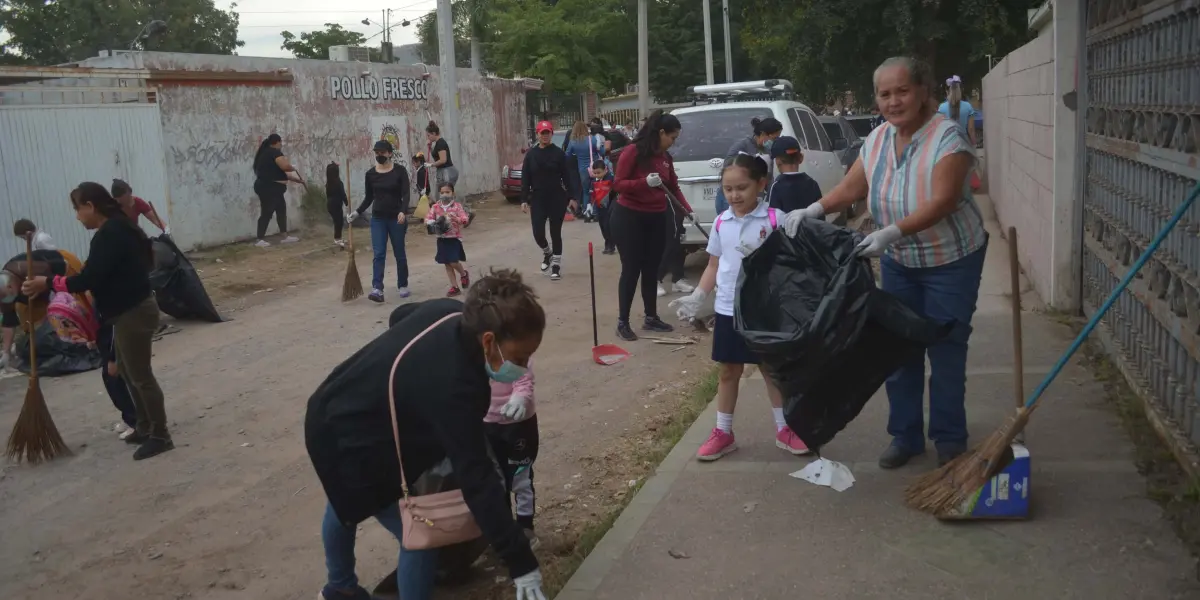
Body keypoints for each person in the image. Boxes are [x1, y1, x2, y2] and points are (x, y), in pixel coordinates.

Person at [784, 56, 988, 469]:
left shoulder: (948, 138)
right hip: (899, 261)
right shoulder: (876, 140)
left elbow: (944, 200)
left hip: (951, 260)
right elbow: (850, 187)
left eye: (902, 91)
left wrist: (892, 231)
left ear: (923, 92)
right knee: (897, 349)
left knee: (946, 347)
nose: (893, 101)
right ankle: (905, 436)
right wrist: (814, 210)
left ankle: (950, 438)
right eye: (884, 94)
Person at [305, 270, 549, 600]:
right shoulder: (456, 389)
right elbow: (477, 479)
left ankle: (339, 587)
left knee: (344, 499)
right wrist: (521, 562)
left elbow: (400, 315)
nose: (523, 365)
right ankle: (341, 588)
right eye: (520, 357)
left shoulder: (449, 313)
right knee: (422, 533)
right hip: (350, 434)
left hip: (333, 403)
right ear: (489, 341)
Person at [669, 154, 810, 460]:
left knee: (771, 370)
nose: (734, 195)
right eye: (727, 189)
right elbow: (714, 265)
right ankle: (723, 431)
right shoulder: (722, 221)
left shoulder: (776, 220)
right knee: (728, 371)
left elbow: (795, 266)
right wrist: (698, 296)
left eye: (741, 188)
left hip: (765, 310)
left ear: (761, 184)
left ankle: (785, 428)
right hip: (728, 309)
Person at [21, 182, 174, 460]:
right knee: (128, 373)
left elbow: (89, 278)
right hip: (129, 309)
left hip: (133, 312)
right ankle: (144, 426)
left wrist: (50, 283)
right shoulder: (118, 227)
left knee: (140, 376)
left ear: (90, 206)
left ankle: (161, 435)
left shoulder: (110, 233)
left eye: (77, 209)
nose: (77, 216)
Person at [611, 110, 691, 341]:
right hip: (629, 217)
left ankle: (651, 317)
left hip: (656, 217)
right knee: (631, 268)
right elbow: (618, 184)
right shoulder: (633, 152)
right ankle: (623, 322)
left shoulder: (665, 159)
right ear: (661, 132)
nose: (672, 143)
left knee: (651, 269)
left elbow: (674, 187)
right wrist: (642, 182)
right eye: (672, 138)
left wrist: (686, 209)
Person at [0, 246, 86, 372]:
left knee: (70, 311)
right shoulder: (4, 293)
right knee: (30, 322)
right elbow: (9, 321)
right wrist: (6, 352)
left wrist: (43, 289)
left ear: (11, 286)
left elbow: (58, 278)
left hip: (63, 268)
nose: (11, 301)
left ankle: (81, 342)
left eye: (13, 295)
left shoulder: (27, 267)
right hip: (36, 292)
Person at [350, 139, 412, 303]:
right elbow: (369, 197)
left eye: (382, 153)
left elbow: (406, 194)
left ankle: (403, 284)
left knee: (399, 253)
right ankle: (377, 288)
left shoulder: (399, 171)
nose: (379, 155)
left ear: (390, 153)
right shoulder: (370, 174)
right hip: (378, 218)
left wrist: (403, 211)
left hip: (396, 218)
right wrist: (357, 212)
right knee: (379, 254)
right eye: (377, 153)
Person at [485, 357, 539, 543]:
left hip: (519, 422)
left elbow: (524, 379)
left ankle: (525, 525)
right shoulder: (474, 347)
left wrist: (519, 398)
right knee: (496, 479)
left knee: (520, 477)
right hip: (487, 422)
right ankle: (505, 529)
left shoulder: (515, 344)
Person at [520, 120, 578, 282]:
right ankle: (547, 253)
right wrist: (523, 199)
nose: (545, 135)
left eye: (548, 133)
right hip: (538, 198)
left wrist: (572, 197)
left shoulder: (559, 154)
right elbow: (526, 178)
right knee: (538, 232)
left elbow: (567, 176)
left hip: (556, 197)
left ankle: (556, 266)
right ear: (537, 134)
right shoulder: (531, 155)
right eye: (542, 133)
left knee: (555, 232)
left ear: (551, 134)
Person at [714, 117, 783, 214]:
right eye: (774, 138)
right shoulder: (742, 145)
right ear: (763, 134)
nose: (775, 141)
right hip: (732, 200)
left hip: (753, 199)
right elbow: (728, 166)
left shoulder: (768, 150)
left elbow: (768, 178)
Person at [251, 133, 304, 247]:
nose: (281, 145)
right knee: (267, 212)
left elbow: (280, 174)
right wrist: (292, 167)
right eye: (280, 142)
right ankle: (259, 239)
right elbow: (285, 167)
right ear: (277, 142)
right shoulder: (274, 153)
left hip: (272, 188)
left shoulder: (265, 154)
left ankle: (284, 236)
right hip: (269, 188)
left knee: (281, 210)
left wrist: (297, 180)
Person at [425, 183, 471, 297]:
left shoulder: (457, 206)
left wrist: (457, 219)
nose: (445, 194)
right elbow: (428, 218)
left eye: (447, 192)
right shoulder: (435, 207)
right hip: (441, 239)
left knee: (453, 261)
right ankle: (455, 287)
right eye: (442, 192)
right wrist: (431, 223)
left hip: (454, 238)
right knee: (447, 264)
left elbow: (465, 219)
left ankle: (463, 274)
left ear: (453, 193)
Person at [766, 136, 823, 213]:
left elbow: (772, 216)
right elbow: (819, 214)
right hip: (810, 225)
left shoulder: (776, 187)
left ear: (778, 162)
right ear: (801, 158)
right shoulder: (813, 184)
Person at [566, 121, 606, 220]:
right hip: (596, 168)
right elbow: (602, 151)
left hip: (583, 169)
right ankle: (596, 212)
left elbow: (567, 155)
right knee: (597, 190)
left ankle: (586, 212)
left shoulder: (573, 142)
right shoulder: (592, 139)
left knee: (586, 191)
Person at [655, 204, 694, 298]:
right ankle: (654, 281)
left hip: (672, 207)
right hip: (654, 205)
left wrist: (688, 210)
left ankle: (677, 280)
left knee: (677, 244)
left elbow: (676, 191)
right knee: (663, 246)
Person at [938, 75, 977, 147]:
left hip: (947, 144)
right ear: (960, 90)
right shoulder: (968, 106)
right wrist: (974, 144)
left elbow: (940, 129)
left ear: (948, 91)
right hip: (964, 143)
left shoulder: (941, 107)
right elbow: (971, 129)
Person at [588, 160, 617, 255]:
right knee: (603, 227)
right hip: (599, 207)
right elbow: (592, 194)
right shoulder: (593, 181)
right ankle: (607, 244)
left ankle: (611, 246)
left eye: (599, 173)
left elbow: (616, 191)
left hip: (609, 207)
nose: (597, 175)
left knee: (608, 227)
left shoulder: (611, 178)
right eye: (595, 173)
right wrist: (589, 205)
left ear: (605, 170)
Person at [425, 121, 459, 189]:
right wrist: (430, 147)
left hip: (447, 171)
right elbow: (436, 156)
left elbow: (443, 160)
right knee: (441, 194)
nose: (428, 138)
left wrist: (431, 164)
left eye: (428, 135)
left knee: (445, 194)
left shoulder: (441, 143)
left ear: (434, 133)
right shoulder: (437, 143)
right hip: (442, 171)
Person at [325, 163, 348, 248]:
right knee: (339, 222)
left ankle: (338, 238)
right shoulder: (339, 183)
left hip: (331, 204)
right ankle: (337, 239)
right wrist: (346, 201)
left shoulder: (328, 184)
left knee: (338, 221)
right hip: (336, 205)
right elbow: (342, 194)